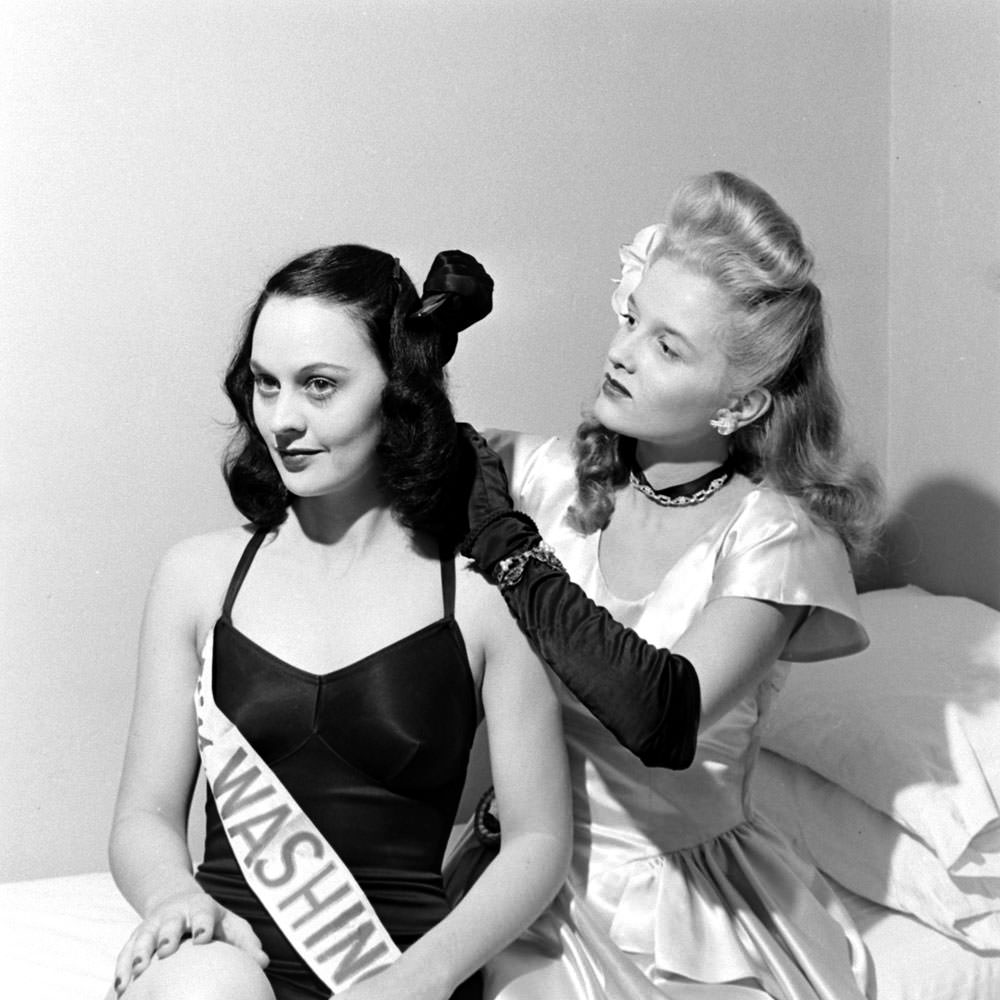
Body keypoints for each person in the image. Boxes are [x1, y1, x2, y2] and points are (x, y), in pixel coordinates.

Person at [451, 171, 883, 999]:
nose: (620, 353)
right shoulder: (549, 481)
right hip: (517, 865)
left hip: (679, 905)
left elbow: (664, 714)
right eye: (629, 319)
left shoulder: (776, 536)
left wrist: (508, 550)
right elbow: (411, 452)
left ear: (741, 400)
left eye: (666, 345)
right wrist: (415, 341)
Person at [106, 245, 572, 1000]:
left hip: (398, 974)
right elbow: (145, 815)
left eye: (319, 386)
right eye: (265, 385)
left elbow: (539, 839)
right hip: (221, 962)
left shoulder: (483, 600)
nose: (283, 420)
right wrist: (174, 900)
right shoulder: (197, 578)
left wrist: (422, 977)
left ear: (400, 390)